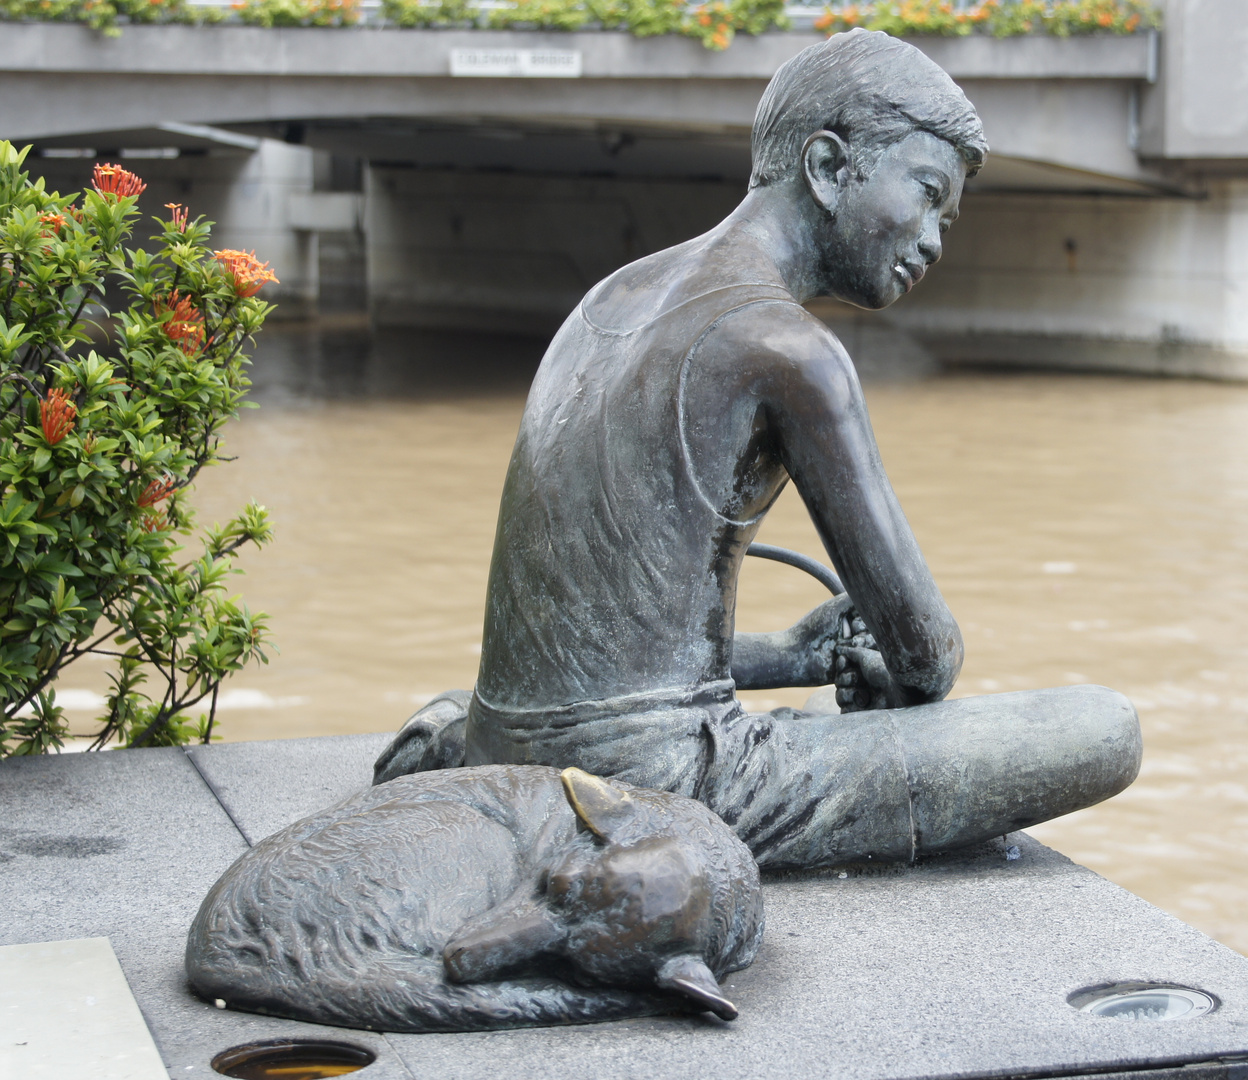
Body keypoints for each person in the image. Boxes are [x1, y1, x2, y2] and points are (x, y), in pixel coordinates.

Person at [376, 29, 1142, 870]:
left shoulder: (608, 298)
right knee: (1105, 728)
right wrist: (893, 668)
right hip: (660, 785)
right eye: (926, 195)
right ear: (826, 168)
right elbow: (926, 659)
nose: (933, 238)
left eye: (947, 218)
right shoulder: (791, 351)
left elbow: (594, 653)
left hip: (504, 741)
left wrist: (795, 655)